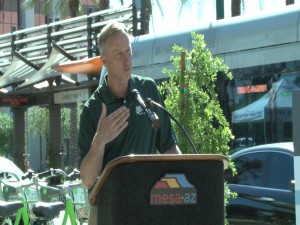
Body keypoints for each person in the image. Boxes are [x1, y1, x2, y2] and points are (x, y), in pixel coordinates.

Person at [78, 21, 181, 225]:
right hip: (108, 210)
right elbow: (88, 180)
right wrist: (100, 139)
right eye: (119, 54)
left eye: (129, 51)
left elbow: (169, 147)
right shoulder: (92, 109)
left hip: (148, 204)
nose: (127, 60)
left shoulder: (148, 90)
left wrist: (184, 181)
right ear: (104, 60)